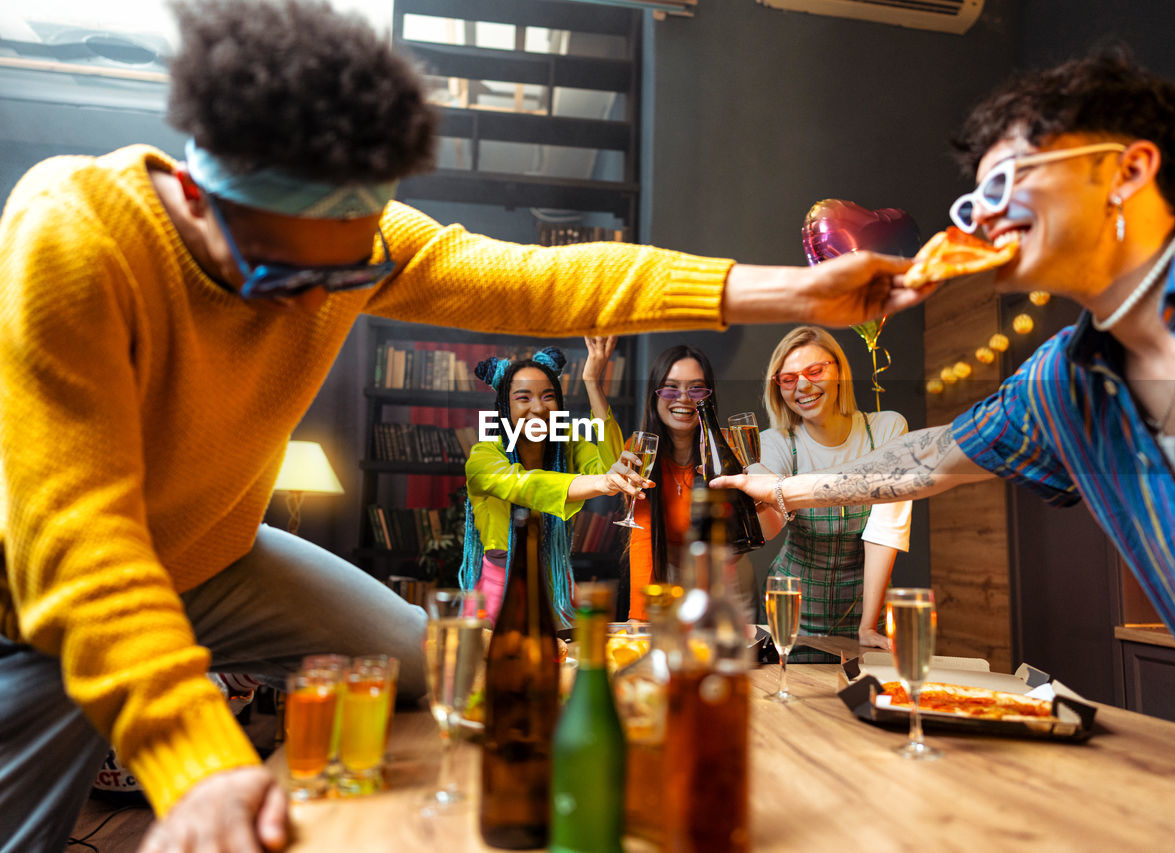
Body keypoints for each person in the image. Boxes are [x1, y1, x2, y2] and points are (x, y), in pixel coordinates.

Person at [0, 2, 929, 849]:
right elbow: (83, 548)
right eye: (286, 279)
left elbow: (547, 281)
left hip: (219, 557)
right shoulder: (76, 236)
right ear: (200, 196)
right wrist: (201, 766)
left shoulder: (364, 244)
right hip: (50, 593)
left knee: (433, 656)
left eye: (349, 272)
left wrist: (791, 291)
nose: (318, 303)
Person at [715, 48, 1175, 747]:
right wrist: (783, 490)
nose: (983, 219)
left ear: (1128, 170)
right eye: (973, 200)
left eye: (1008, 180)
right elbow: (932, 457)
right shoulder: (1059, 387)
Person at [460, 340, 639, 625]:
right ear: (504, 408)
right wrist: (603, 482)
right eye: (523, 398)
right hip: (498, 594)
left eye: (548, 396)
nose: (538, 408)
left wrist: (593, 383)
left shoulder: (568, 445)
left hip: (558, 589)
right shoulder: (483, 456)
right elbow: (525, 485)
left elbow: (615, 466)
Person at [757, 326, 911, 651]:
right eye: (788, 379)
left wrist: (868, 626)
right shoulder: (776, 442)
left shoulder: (887, 429)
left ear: (839, 371)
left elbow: (886, 530)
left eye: (815, 371)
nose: (803, 385)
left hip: (867, 600)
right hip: (791, 602)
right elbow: (770, 529)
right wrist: (757, 492)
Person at [625, 345, 723, 618]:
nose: (684, 398)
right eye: (670, 388)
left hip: (721, 583)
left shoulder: (725, 452)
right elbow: (642, 538)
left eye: (696, 389)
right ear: (655, 396)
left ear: (708, 397)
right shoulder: (639, 451)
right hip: (663, 579)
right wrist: (639, 619)